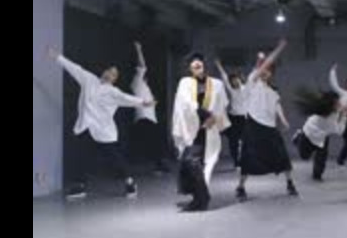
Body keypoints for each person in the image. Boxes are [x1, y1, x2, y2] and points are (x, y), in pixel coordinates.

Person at [48, 46, 154, 200]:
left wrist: (144, 103)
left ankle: (130, 182)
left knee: (115, 160)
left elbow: (127, 99)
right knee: (80, 157)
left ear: (114, 79)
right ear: (104, 72)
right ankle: (80, 186)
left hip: (104, 132)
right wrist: (57, 57)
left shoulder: (113, 92)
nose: (109, 74)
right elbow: (74, 68)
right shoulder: (89, 79)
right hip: (85, 127)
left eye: (113, 74)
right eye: (108, 71)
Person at [237, 40, 298, 200]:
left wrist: (283, 120)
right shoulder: (252, 81)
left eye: (269, 71)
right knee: (248, 157)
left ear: (271, 74)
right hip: (253, 125)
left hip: (270, 127)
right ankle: (241, 187)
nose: (265, 72)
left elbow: (277, 106)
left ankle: (290, 183)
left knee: (282, 156)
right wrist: (278, 49)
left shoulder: (273, 91)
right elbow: (265, 63)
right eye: (263, 69)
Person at [171, 53, 230, 213]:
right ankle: (200, 198)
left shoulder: (217, 84)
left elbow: (222, 104)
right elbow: (185, 102)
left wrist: (215, 118)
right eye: (193, 63)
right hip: (193, 127)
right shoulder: (185, 82)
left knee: (195, 162)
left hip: (209, 128)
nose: (196, 64)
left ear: (204, 64)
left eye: (199, 62)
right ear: (189, 68)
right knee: (189, 162)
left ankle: (201, 199)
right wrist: (205, 114)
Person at [292, 89, 347, 182]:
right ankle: (297, 137)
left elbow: (344, 102)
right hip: (309, 133)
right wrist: (344, 115)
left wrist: (345, 108)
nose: (339, 104)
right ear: (331, 106)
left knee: (322, 155)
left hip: (323, 135)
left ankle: (317, 175)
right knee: (304, 156)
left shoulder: (332, 111)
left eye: (339, 102)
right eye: (337, 103)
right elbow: (339, 130)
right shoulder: (328, 119)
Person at [130, 42, 170, 174]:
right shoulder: (137, 83)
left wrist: (153, 103)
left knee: (154, 143)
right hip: (143, 118)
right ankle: (158, 165)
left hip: (150, 118)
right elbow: (142, 66)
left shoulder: (146, 87)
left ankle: (159, 165)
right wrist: (139, 50)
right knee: (153, 143)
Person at [214, 60, 248, 169]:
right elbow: (224, 77)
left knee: (245, 141)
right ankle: (236, 162)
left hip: (244, 118)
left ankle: (244, 160)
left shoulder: (245, 89)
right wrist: (219, 65)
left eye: (236, 80)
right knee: (233, 141)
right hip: (233, 118)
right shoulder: (231, 90)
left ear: (239, 80)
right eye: (232, 81)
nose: (234, 83)